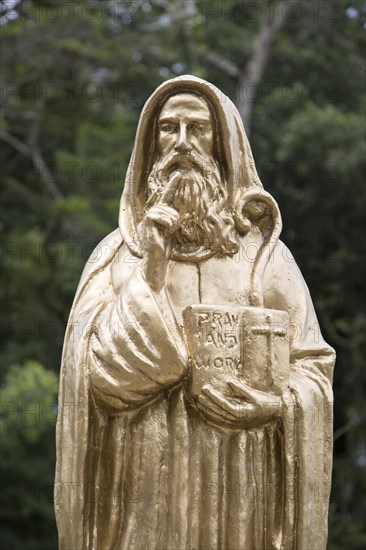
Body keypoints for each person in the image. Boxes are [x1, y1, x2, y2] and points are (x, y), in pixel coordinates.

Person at [55, 75, 335, 550]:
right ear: (149, 146)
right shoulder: (117, 256)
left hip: (242, 487)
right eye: (168, 129)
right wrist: (153, 266)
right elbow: (98, 379)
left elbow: (312, 369)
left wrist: (275, 407)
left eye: (198, 129)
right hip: (142, 485)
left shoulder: (265, 260)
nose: (183, 144)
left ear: (224, 147)